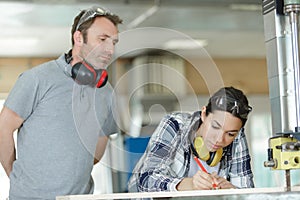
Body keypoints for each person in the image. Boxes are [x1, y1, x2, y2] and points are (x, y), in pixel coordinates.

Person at [0, 6, 122, 200]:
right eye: (103, 39)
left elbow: (96, 153)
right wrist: (16, 177)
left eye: (114, 42)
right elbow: (3, 128)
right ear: (79, 38)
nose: (110, 49)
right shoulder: (38, 79)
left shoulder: (106, 93)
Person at [128, 86, 254, 192]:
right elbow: (146, 180)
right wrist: (190, 184)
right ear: (204, 114)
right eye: (215, 127)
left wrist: (232, 190)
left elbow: (247, 190)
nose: (219, 139)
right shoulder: (175, 125)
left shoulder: (237, 136)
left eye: (230, 134)